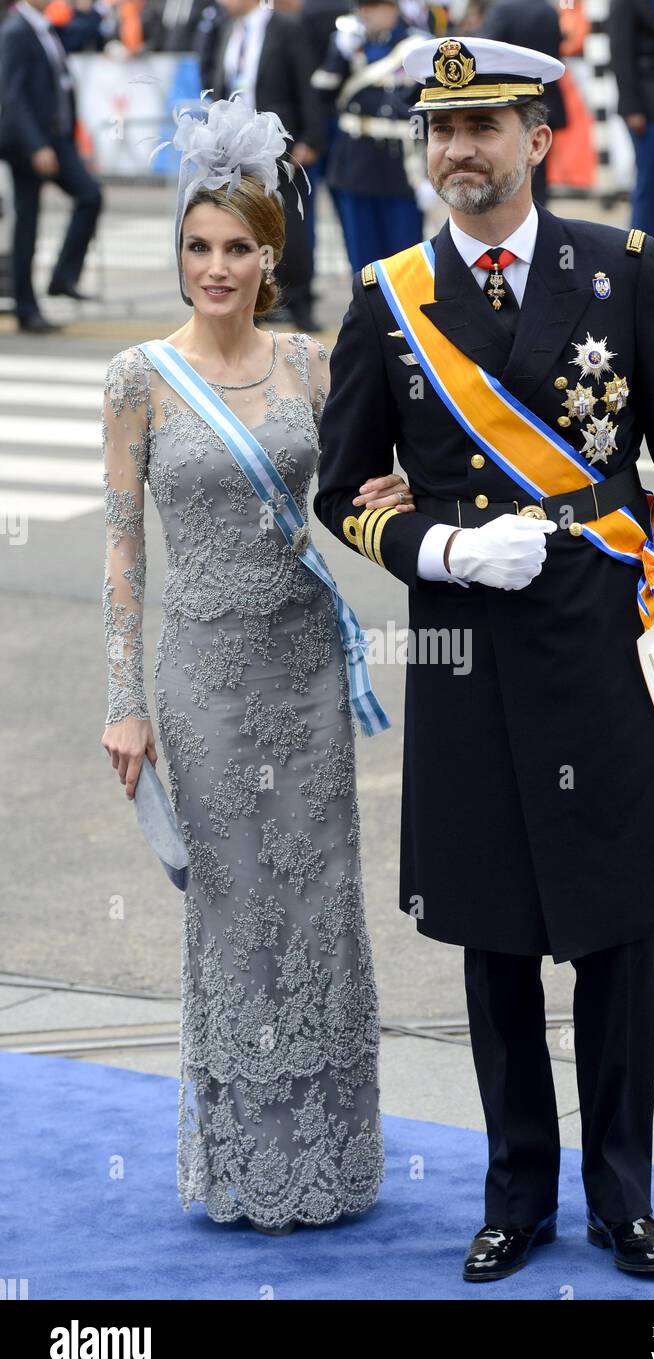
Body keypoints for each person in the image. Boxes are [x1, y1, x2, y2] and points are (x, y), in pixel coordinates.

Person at [314, 35, 654, 1283]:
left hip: (605, 643)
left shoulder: (617, 269)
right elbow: (340, 493)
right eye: (439, 130)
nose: (457, 150)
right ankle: (515, 1197)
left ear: (537, 136)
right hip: (466, 648)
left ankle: (621, 1200)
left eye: (483, 126)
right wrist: (436, 549)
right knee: (492, 935)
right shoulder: (385, 297)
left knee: (616, 933)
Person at [99, 95, 408, 1233]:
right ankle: (243, 1162)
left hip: (304, 670)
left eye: (236, 247)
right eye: (196, 246)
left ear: (268, 254)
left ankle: (328, 1158)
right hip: (204, 680)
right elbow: (125, 553)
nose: (213, 267)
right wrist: (125, 703)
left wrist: (401, 492)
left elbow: (357, 483)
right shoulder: (137, 378)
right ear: (177, 251)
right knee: (231, 908)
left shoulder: (308, 363)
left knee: (320, 900)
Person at [203, 0, 325, 330]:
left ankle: (300, 302)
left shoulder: (285, 27)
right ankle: (259, 301)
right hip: (236, 145)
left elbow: (305, 84)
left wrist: (311, 137)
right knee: (247, 224)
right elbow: (216, 80)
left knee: (293, 228)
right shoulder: (226, 29)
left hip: (280, 143)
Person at [0, 0, 104, 332]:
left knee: (90, 196)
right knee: (27, 224)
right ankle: (26, 309)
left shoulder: (44, 27)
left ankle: (62, 277)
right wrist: (36, 145)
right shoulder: (17, 31)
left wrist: (89, 11)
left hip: (57, 140)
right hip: (32, 144)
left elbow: (83, 34)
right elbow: (12, 96)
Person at [311, 0, 431, 271]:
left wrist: (427, 173)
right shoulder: (347, 44)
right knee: (362, 258)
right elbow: (322, 94)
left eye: (380, 7)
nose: (372, 14)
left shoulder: (415, 45)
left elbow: (427, 108)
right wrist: (338, 56)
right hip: (356, 162)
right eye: (367, 7)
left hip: (401, 165)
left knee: (405, 256)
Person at [479, 0, 567, 206]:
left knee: (510, 168)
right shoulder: (548, 10)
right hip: (545, 95)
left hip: (511, 101)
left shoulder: (502, 10)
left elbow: (488, 53)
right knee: (539, 167)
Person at [608, 0, 654, 238]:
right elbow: (621, 54)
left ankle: (649, 248)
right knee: (647, 183)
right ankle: (639, 250)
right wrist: (632, 107)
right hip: (643, 104)